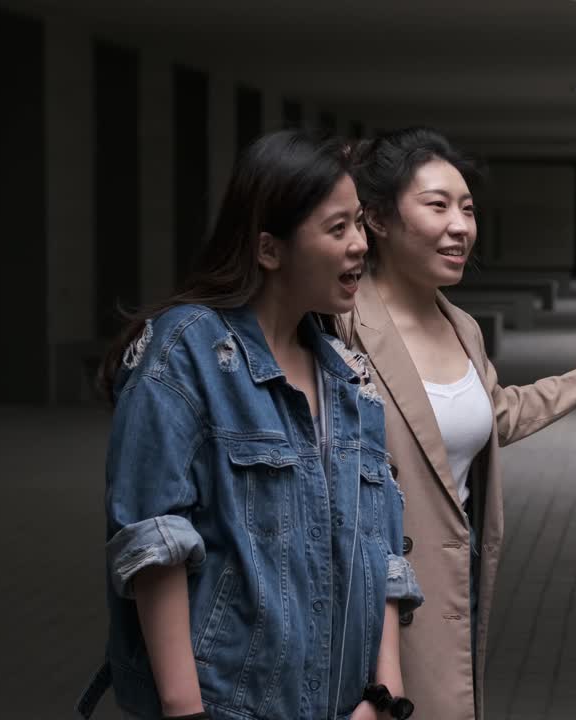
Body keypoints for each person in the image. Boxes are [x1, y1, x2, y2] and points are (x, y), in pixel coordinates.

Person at [78, 130, 423, 720]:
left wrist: (383, 701)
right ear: (269, 249)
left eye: (360, 224)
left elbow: (383, 552)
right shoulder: (187, 351)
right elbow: (154, 546)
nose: (360, 245)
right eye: (337, 228)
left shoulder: (349, 376)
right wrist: (186, 711)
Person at [338, 127, 576, 720]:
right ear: (376, 219)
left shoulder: (462, 327)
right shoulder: (341, 326)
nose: (461, 226)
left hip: (457, 577)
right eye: (438, 206)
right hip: (368, 594)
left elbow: (496, 415)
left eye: (468, 209)